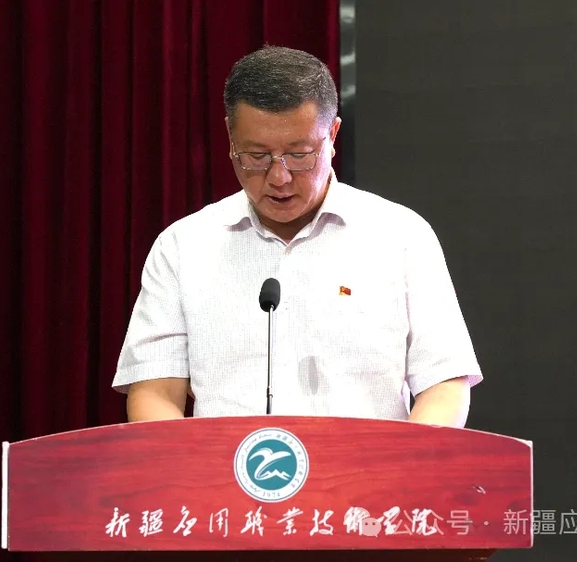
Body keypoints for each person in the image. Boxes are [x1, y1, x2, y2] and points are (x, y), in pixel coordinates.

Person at [112, 45, 481, 427]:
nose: (279, 177)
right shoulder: (182, 247)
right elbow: (154, 392)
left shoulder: (400, 236)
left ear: (332, 134)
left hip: (370, 465)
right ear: (231, 137)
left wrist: (405, 463)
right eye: (256, 156)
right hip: (225, 467)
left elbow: (444, 383)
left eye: (300, 154)